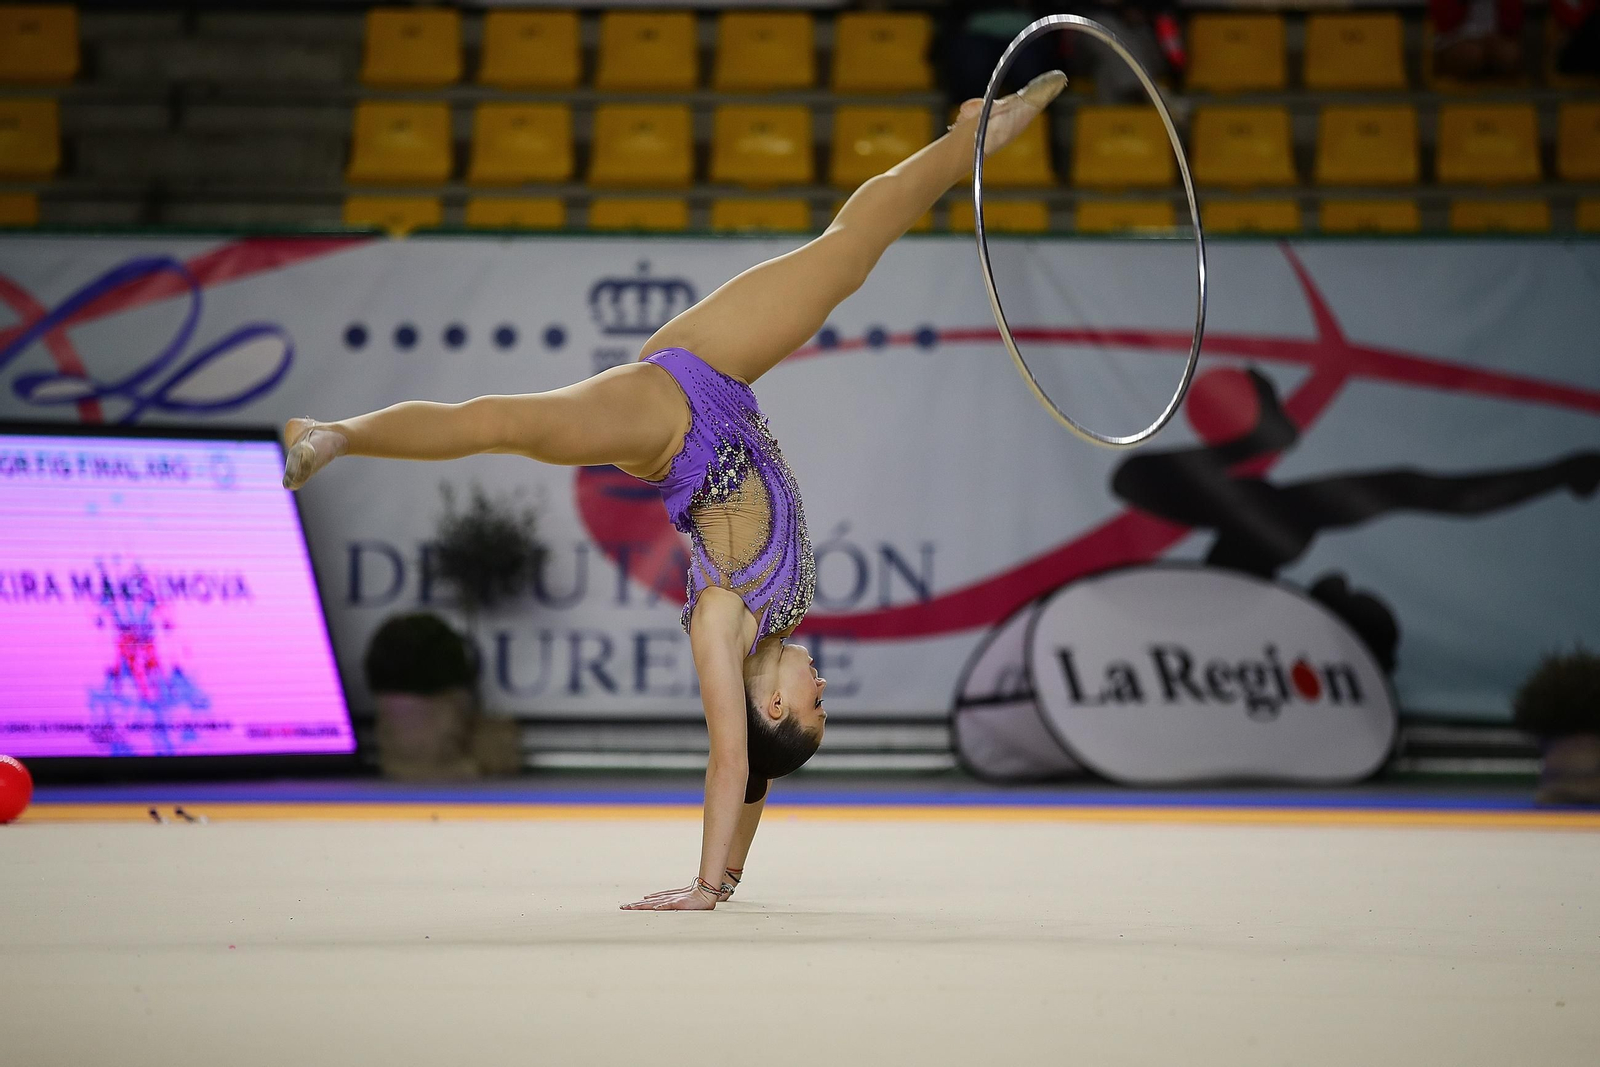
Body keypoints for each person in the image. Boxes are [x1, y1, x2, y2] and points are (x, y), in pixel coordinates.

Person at [280, 72, 1070, 911]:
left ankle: (335, 432)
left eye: (817, 708)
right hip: (722, 378)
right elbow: (756, 774)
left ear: (775, 701)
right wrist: (733, 874)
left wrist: (700, 885)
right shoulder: (782, 620)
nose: (825, 692)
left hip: (666, 429)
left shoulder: (723, 624)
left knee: (506, 421)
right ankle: (970, 137)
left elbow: (733, 756)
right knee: (846, 255)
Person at [1430, 0, 1525, 81]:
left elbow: (1514, 22)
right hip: (1455, 38)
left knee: (1510, 55)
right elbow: (1442, 21)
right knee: (1472, 55)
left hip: (1493, 37)